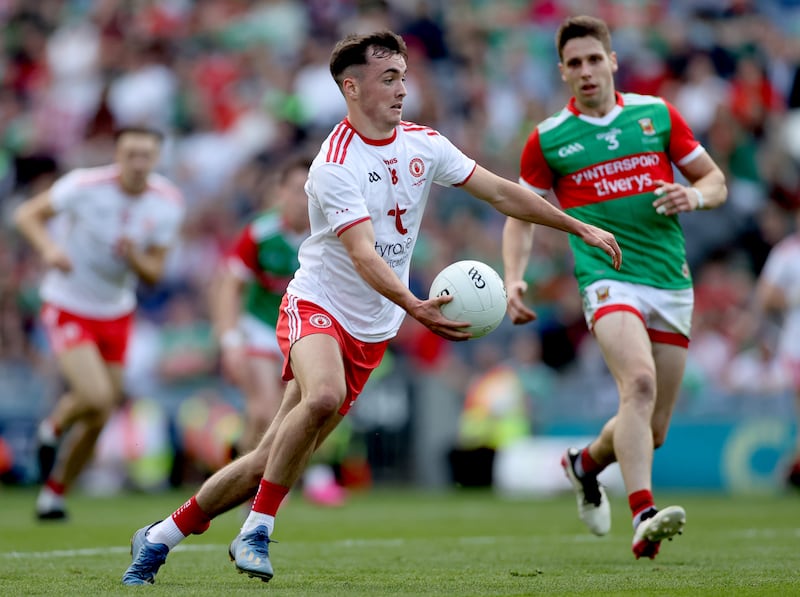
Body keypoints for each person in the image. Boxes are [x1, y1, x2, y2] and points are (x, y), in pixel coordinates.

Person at [121, 30, 621, 586]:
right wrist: (416, 307)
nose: (403, 88)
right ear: (351, 87)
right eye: (389, 78)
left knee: (269, 457)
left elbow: (501, 192)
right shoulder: (333, 164)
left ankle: (162, 534)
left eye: (404, 76)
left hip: (373, 326)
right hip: (318, 305)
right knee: (324, 395)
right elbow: (361, 254)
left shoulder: (424, 144)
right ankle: (256, 530)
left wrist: (576, 224)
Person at [502, 15, 728, 560]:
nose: (585, 71)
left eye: (593, 59)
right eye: (574, 63)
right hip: (607, 278)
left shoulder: (656, 115)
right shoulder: (549, 138)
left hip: (669, 280)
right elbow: (519, 214)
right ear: (562, 72)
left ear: (612, 61)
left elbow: (715, 181)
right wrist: (513, 278)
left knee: (651, 431)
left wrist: (692, 198)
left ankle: (584, 464)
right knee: (640, 384)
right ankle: (644, 515)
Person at [13, 126, 185, 520]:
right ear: (117, 155)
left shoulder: (167, 203)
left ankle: (54, 493)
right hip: (69, 302)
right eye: (130, 154)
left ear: (156, 159)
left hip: (116, 311)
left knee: (102, 412)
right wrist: (50, 248)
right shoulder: (84, 186)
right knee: (96, 395)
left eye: (145, 155)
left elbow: (155, 273)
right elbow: (27, 215)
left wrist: (134, 257)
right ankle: (52, 428)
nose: (137, 163)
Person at [211, 154, 346, 506]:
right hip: (260, 329)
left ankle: (247, 487)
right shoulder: (260, 232)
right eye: (294, 190)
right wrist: (229, 341)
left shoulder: (330, 232)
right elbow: (229, 286)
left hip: (304, 331)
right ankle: (254, 492)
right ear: (280, 192)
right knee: (264, 410)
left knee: (291, 411)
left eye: (307, 190)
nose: (301, 199)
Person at [753, 206, 800, 489]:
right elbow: (765, 297)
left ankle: (793, 467)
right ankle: (792, 468)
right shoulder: (787, 253)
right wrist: (793, 298)